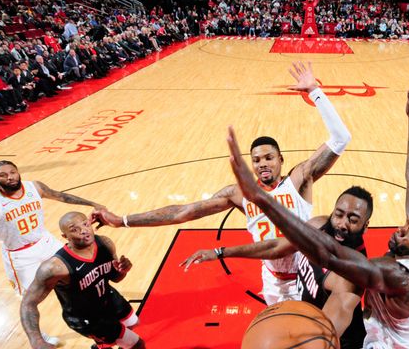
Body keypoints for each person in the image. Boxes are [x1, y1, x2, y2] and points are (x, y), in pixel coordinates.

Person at [92, 61, 351, 305]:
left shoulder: (299, 178)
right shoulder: (239, 194)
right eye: (257, 160)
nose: (263, 164)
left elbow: (341, 138)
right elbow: (182, 212)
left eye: (269, 158)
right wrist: (121, 220)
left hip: (309, 276)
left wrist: (315, 92)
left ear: (281, 160)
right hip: (274, 281)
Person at [225, 85, 409, 348]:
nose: (399, 231)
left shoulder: (399, 276)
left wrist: (263, 200)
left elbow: (328, 255)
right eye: (405, 226)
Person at [181, 186, 373, 348]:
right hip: (305, 318)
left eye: (353, 219)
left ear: (365, 226)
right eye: (339, 214)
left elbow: (325, 333)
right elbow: (278, 247)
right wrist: (220, 252)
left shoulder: (350, 277)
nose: (342, 224)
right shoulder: (319, 225)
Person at [0, 161, 108, 345]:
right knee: (30, 299)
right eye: (3, 175)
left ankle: (94, 311)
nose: (10, 177)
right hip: (20, 255)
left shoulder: (35, 187)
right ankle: (39, 337)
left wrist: (91, 203)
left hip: (46, 242)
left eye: (13, 172)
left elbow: (61, 196)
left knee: (78, 277)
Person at [20, 212, 144, 349]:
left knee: (133, 323)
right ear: (65, 236)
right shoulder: (55, 268)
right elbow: (28, 303)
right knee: (137, 344)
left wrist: (122, 271)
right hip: (87, 317)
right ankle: (108, 341)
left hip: (108, 297)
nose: (83, 231)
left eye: (85, 224)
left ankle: (102, 345)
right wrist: (36, 340)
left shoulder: (104, 243)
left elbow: (115, 278)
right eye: (74, 229)